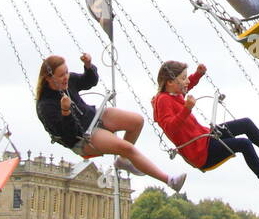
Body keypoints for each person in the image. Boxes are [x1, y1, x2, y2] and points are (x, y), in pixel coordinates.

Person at [36, 53, 186, 191]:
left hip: (93, 116)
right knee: (127, 148)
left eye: (67, 72)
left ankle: (122, 161)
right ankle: (170, 180)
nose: (66, 78)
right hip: (82, 138)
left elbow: (89, 81)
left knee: (137, 121)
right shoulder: (45, 106)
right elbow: (69, 134)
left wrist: (88, 66)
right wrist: (65, 112)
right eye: (61, 75)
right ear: (49, 78)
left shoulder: (69, 82)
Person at [153, 60, 259, 197]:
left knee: (245, 123)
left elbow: (186, 87)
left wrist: (197, 75)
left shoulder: (174, 92)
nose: (187, 81)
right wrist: (187, 109)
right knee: (244, 144)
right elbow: (170, 128)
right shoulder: (163, 101)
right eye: (184, 78)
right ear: (171, 82)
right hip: (201, 153)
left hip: (205, 137)